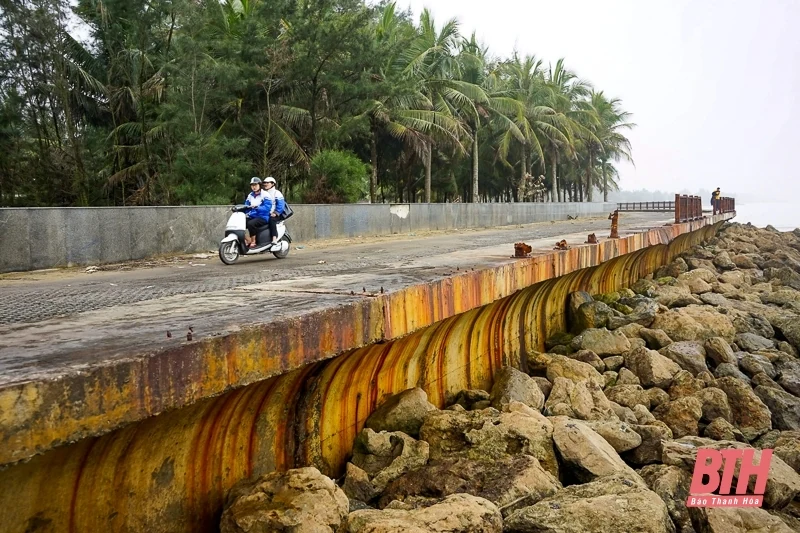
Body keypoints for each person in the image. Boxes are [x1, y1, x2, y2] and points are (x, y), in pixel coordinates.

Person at [260, 176, 286, 247]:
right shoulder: (263, 193)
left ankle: (274, 238)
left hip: (274, 214)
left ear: (273, 184)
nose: (265, 184)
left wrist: (276, 213)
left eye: (267, 183)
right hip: (265, 214)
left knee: (272, 220)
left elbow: (281, 204)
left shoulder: (277, 193)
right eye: (264, 183)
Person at [244, 177, 270, 247]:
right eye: (252, 185)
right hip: (252, 216)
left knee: (251, 224)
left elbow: (267, 208)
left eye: (255, 185)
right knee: (239, 223)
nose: (254, 187)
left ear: (260, 185)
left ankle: (253, 241)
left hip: (263, 217)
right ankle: (247, 240)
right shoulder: (250, 195)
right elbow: (246, 206)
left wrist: (257, 207)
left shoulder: (265, 195)